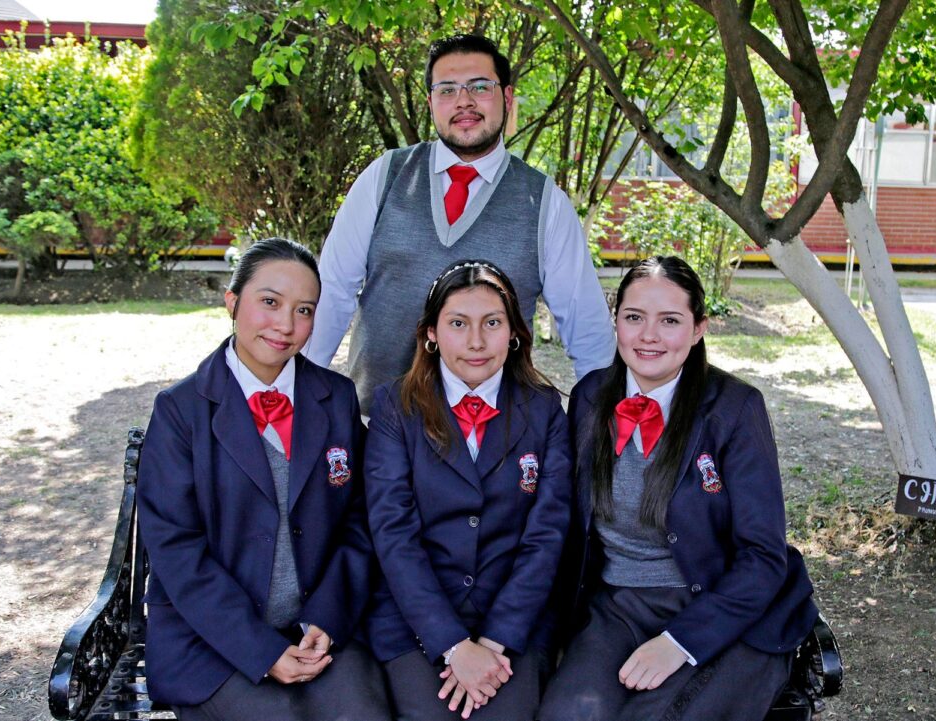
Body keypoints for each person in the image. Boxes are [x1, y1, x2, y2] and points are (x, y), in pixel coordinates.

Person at [538, 256, 819, 720]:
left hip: (724, 604)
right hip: (617, 603)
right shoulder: (590, 397)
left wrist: (680, 642)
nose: (648, 335)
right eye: (634, 317)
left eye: (669, 321)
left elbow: (762, 556)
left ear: (698, 328)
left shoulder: (735, 409)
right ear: (616, 321)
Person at [136, 238, 389, 721]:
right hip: (213, 639)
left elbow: (361, 518)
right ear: (232, 302)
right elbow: (175, 548)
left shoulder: (335, 398)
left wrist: (327, 617)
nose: (286, 325)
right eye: (269, 302)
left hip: (320, 629)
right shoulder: (180, 411)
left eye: (304, 310)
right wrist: (261, 650)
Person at [307, 33, 615, 412]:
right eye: (447, 89)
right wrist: (302, 391)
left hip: (497, 436)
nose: (463, 101)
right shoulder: (384, 177)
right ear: (430, 102)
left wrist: (602, 419)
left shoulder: (545, 203)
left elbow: (587, 327)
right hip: (375, 424)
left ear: (507, 97)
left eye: (480, 87)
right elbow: (332, 292)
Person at [363, 260, 572, 720]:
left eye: (492, 323)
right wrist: (453, 644)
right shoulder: (395, 407)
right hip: (417, 620)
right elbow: (393, 533)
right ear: (431, 334)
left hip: (514, 620)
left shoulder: (545, 410)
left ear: (513, 332)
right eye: (458, 324)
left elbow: (547, 535)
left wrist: (495, 641)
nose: (476, 341)